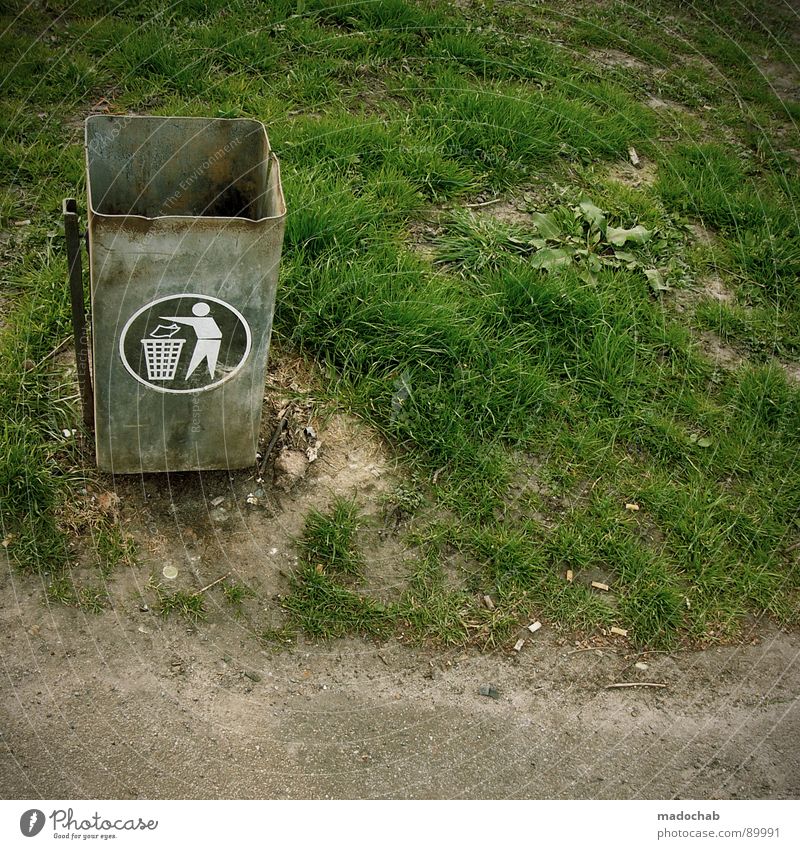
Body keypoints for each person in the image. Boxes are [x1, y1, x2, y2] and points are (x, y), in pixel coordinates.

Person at [160, 302, 222, 379]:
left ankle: (191, 377)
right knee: (201, 361)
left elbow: (185, 320)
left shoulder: (204, 320)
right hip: (209, 341)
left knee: (200, 360)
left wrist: (166, 318)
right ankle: (191, 377)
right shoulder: (208, 319)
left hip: (209, 341)